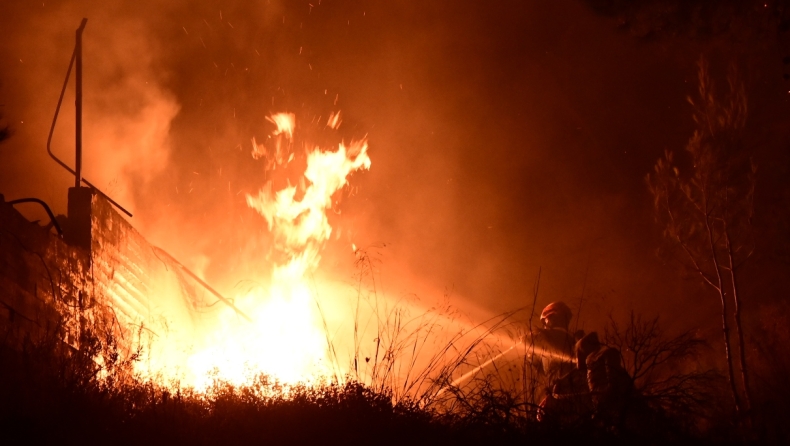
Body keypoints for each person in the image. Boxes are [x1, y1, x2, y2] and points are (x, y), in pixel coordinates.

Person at [576, 331, 634, 429]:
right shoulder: (593, 363)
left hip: (619, 406)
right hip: (608, 406)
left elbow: (613, 383)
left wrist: (605, 402)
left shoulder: (607, 354)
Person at [529, 302, 578, 410]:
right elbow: (544, 369)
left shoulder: (545, 336)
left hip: (559, 391)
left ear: (552, 318)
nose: (545, 324)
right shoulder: (574, 340)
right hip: (570, 392)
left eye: (545, 320)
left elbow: (546, 370)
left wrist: (528, 348)